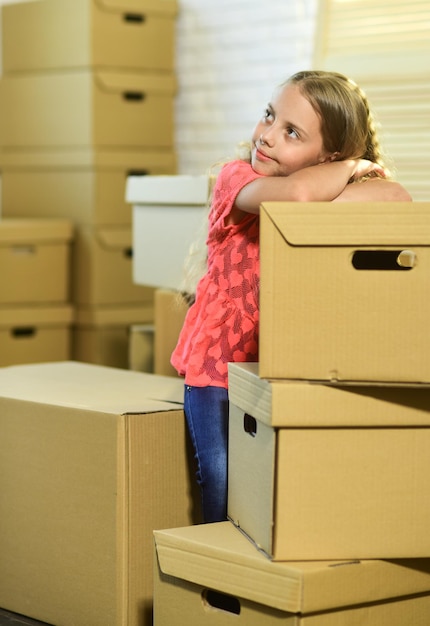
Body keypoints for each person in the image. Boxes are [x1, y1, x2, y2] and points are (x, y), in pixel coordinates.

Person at [171, 69, 412, 523]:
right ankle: (214, 566)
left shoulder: (320, 189)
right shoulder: (235, 178)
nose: (267, 137)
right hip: (215, 370)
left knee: (269, 485)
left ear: (328, 154)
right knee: (220, 478)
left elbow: (396, 197)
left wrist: (341, 184)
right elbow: (298, 196)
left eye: (292, 132)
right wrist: (349, 169)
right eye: (269, 116)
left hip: (278, 368)